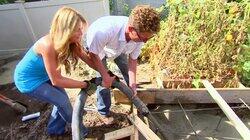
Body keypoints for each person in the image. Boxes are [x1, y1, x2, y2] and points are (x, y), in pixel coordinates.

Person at [14, 7, 100, 136]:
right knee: (63, 102)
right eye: (78, 30)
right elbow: (57, 80)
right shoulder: (47, 45)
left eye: (81, 29)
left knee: (61, 101)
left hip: (42, 75)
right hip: (27, 80)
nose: (81, 33)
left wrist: (105, 73)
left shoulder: (71, 42)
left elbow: (89, 60)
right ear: (66, 30)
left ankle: (54, 130)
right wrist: (85, 84)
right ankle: (81, 132)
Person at [86, 5, 160, 124]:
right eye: (143, 39)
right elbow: (93, 55)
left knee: (127, 72)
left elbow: (133, 60)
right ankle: (103, 111)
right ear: (131, 29)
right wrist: (105, 76)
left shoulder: (139, 35)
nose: (145, 41)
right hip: (99, 49)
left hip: (119, 48)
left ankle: (135, 99)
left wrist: (133, 83)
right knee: (104, 83)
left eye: (148, 39)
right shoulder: (104, 31)